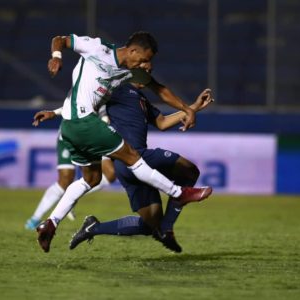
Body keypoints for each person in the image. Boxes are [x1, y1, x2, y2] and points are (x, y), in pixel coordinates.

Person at [35, 31, 212, 253]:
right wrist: (57, 56)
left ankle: (51, 222)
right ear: (133, 50)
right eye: (145, 59)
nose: (147, 65)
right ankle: (179, 193)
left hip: (72, 127)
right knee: (137, 158)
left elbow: (160, 92)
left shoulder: (128, 78)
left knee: (90, 180)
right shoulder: (99, 50)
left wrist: (189, 108)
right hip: (85, 124)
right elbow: (59, 39)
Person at [67, 76, 213, 253]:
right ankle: (166, 229)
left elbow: (162, 122)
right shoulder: (117, 89)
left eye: (150, 67)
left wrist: (194, 107)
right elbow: (87, 94)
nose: (148, 70)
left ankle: (94, 228)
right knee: (190, 172)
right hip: (136, 156)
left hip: (131, 166)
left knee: (150, 225)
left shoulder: (142, 99)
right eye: (144, 65)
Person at [24, 126, 116, 230]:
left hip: (96, 137)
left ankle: (71, 198)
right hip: (72, 133)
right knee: (65, 180)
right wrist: (54, 112)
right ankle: (35, 218)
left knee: (110, 174)